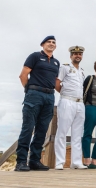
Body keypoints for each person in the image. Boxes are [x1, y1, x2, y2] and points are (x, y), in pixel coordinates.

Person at [15, 36, 60, 172]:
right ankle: (21, 161)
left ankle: (34, 161)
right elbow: (23, 75)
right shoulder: (34, 56)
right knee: (28, 128)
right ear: (42, 45)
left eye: (53, 43)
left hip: (50, 96)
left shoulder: (56, 63)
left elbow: (56, 81)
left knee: (42, 130)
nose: (51, 44)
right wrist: (28, 91)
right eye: (49, 42)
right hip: (34, 94)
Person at [54, 46, 87, 170]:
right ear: (71, 56)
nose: (77, 56)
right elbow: (57, 83)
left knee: (77, 134)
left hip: (80, 103)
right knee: (62, 131)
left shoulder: (82, 71)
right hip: (67, 100)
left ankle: (76, 162)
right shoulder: (65, 67)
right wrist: (63, 94)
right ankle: (59, 162)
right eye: (75, 54)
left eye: (80, 54)